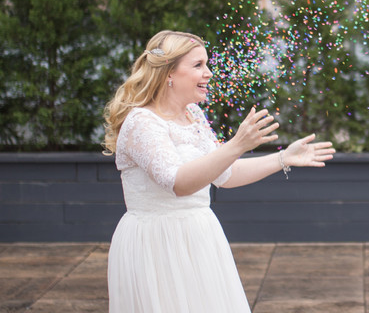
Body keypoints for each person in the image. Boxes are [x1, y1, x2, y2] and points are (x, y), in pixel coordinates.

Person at [103, 30, 335, 313]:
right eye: (198, 65)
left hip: (199, 237)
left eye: (207, 64)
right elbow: (178, 183)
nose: (209, 73)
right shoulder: (141, 122)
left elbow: (224, 174)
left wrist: (283, 158)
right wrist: (237, 144)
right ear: (168, 75)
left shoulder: (194, 115)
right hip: (156, 244)